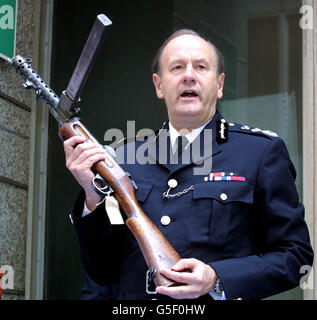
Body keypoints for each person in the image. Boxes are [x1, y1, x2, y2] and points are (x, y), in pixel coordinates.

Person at [64, 29, 314, 300]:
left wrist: (218, 277)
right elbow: (102, 272)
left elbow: (295, 257)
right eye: (177, 67)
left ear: (219, 85)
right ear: (159, 85)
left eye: (201, 67)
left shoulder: (260, 153)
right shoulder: (122, 160)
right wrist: (92, 194)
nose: (189, 75)